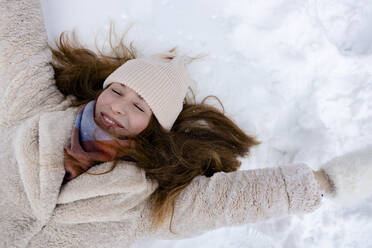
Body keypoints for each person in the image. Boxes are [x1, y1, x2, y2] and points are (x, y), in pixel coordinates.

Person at [1, 0, 371, 247]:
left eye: (140, 106)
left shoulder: (146, 200)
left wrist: (331, 180)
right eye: (117, 90)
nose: (117, 107)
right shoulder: (34, 109)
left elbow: (234, 201)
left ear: (153, 125)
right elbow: (15, 35)